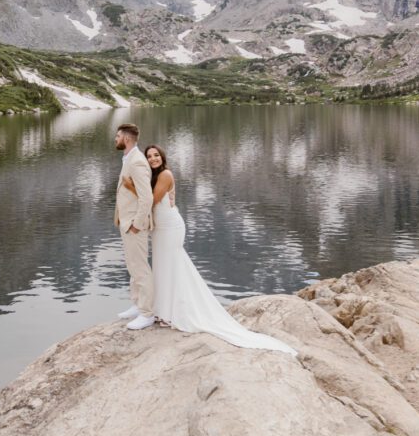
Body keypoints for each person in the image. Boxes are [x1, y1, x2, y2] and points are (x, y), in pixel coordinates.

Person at [123, 144, 297, 354]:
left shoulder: (166, 174)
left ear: (163, 157)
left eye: (156, 155)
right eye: (149, 156)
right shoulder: (153, 177)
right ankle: (162, 310)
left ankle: (176, 311)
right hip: (160, 229)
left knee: (173, 265)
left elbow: (152, 199)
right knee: (162, 266)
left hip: (170, 227)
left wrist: (130, 186)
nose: (152, 159)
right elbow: (148, 197)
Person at [113, 123, 156, 330]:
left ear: (126, 139)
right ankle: (138, 304)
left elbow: (146, 198)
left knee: (140, 268)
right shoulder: (128, 158)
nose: (116, 139)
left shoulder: (137, 162)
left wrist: (136, 225)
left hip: (134, 224)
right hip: (126, 222)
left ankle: (147, 313)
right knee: (132, 266)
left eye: (118, 136)